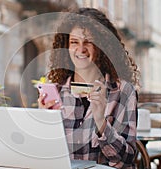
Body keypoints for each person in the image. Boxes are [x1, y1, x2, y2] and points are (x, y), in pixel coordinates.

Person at [38, 7, 140, 169]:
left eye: (88, 42)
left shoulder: (123, 91)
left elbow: (126, 158)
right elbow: (44, 153)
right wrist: (43, 121)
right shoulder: (55, 91)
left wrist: (101, 122)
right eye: (74, 42)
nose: (80, 49)